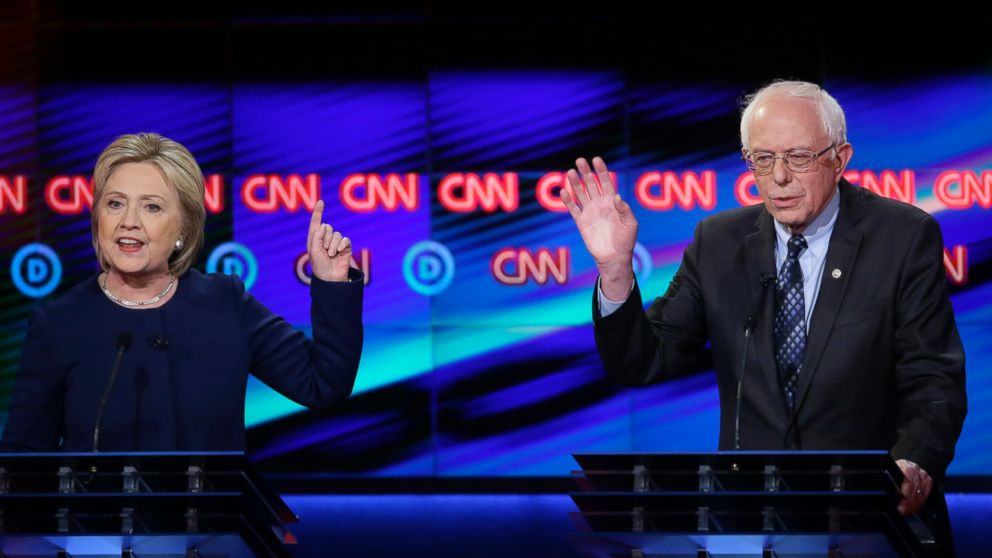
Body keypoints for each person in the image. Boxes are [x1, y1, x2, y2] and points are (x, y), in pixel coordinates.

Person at [562, 80, 966, 552]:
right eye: (762, 159)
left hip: (869, 518)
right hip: (749, 524)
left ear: (840, 158)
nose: (778, 178)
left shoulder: (902, 236)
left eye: (797, 157)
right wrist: (614, 271)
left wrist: (915, 462)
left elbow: (933, 378)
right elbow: (643, 360)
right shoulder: (719, 242)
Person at [0, 132, 363, 452]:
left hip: (210, 527)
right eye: (114, 203)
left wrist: (331, 283)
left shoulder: (226, 304)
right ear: (98, 218)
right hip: (96, 529)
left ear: (183, 229)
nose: (129, 220)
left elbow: (324, 384)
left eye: (152, 207)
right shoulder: (60, 323)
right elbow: (22, 462)